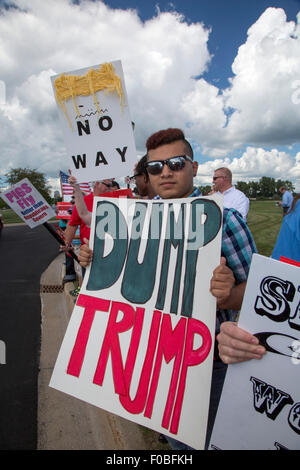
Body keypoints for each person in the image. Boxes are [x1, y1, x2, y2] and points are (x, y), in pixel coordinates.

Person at [79, 128, 265, 449]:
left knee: (203, 443)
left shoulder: (226, 219)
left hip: (209, 363)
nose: (165, 172)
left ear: (193, 167)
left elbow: (258, 293)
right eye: (155, 167)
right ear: (147, 175)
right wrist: (94, 262)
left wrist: (228, 294)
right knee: (176, 441)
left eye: (176, 163)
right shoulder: (133, 221)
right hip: (152, 354)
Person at [271, 194, 300, 263]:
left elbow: (285, 203)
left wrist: (281, 203)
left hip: (283, 262)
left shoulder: (295, 203)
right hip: (290, 262)